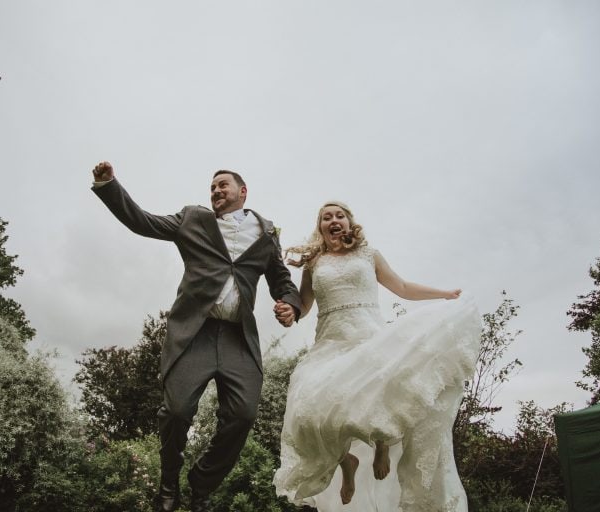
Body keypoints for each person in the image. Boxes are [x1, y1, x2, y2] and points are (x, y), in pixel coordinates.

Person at [91, 162, 302, 512]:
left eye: (223, 185)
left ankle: (200, 485)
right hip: (194, 333)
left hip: (238, 337)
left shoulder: (266, 233)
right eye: (212, 187)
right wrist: (109, 185)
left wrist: (290, 305)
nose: (216, 191)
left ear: (242, 192)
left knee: (243, 416)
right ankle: (168, 483)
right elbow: (143, 221)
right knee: (175, 412)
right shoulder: (192, 219)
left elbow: (281, 280)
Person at [272, 201, 481, 512]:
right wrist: (291, 311)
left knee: (380, 390)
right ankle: (348, 462)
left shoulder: (368, 254)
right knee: (306, 412)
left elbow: (403, 287)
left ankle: (382, 444)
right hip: (330, 341)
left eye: (339, 215)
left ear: (349, 222)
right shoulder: (314, 263)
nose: (333, 220)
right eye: (326, 217)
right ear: (320, 228)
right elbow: (304, 304)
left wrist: (444, 294)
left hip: (368, 335)